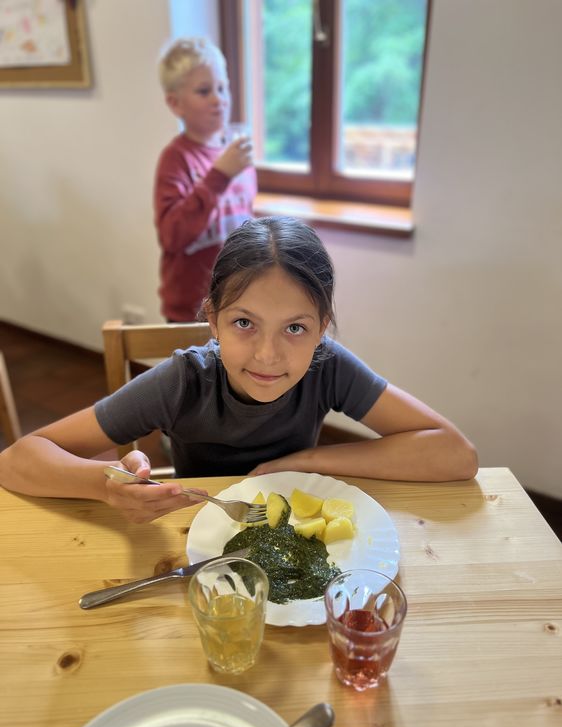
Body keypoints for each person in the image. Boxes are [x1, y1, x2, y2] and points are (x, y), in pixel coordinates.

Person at [0, 217, 478, 524]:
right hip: (196, 531)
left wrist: (308, 461)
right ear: (212, 320)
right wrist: (106, 486)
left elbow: (456, 455)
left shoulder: (327, 367)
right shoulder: (182, 382)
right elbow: (17, 460)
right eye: (244, 323)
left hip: (289, 525)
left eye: (295, 328)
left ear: (321, 330)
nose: (268, 355)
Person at [154, 37, 257, 322]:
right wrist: (219, 176)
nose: (218, 99)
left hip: (236, 302)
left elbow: (245, 220)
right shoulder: (176, 159)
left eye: (222, 88)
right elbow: (172, 236)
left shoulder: (237, 155)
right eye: (204, 91)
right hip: (191, 310)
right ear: (175, 103)